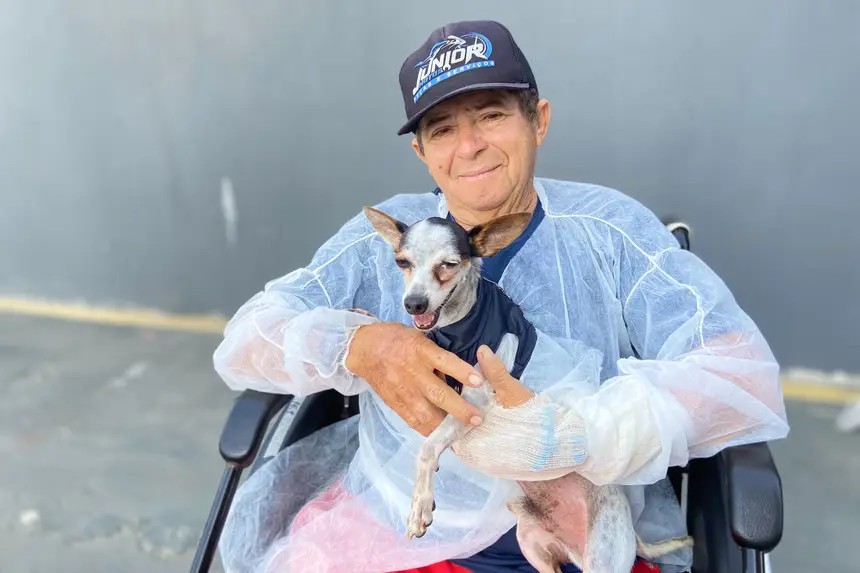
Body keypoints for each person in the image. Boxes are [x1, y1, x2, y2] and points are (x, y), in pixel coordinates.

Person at [213, 19, 790, 573]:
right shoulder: (384, 238)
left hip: (580, 535)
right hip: (398, 535)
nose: (468, 147)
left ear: (538, 120)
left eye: (490, 115)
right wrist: (356, 344)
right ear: (422, 153)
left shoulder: (611, 232)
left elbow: (739, 373)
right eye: (441, 129)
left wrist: (583, 432)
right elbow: (246, 339)